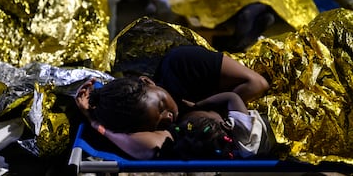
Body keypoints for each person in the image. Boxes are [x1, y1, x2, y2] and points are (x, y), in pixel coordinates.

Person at [75, 44, 269, 158]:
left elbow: (257, 83)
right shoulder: (173, 127)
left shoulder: (181, 64)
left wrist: (209, 107)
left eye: (161, 104)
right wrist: (95, 122)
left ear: (147, 80)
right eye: (157, 121)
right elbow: (145, 149)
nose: (168, 116)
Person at [169, 92, 277, 160]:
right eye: (209, 112)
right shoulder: (242, 126)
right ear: (225, 124)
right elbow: (231, 97)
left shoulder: (227, 152)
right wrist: (198, 105)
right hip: (272, 123)